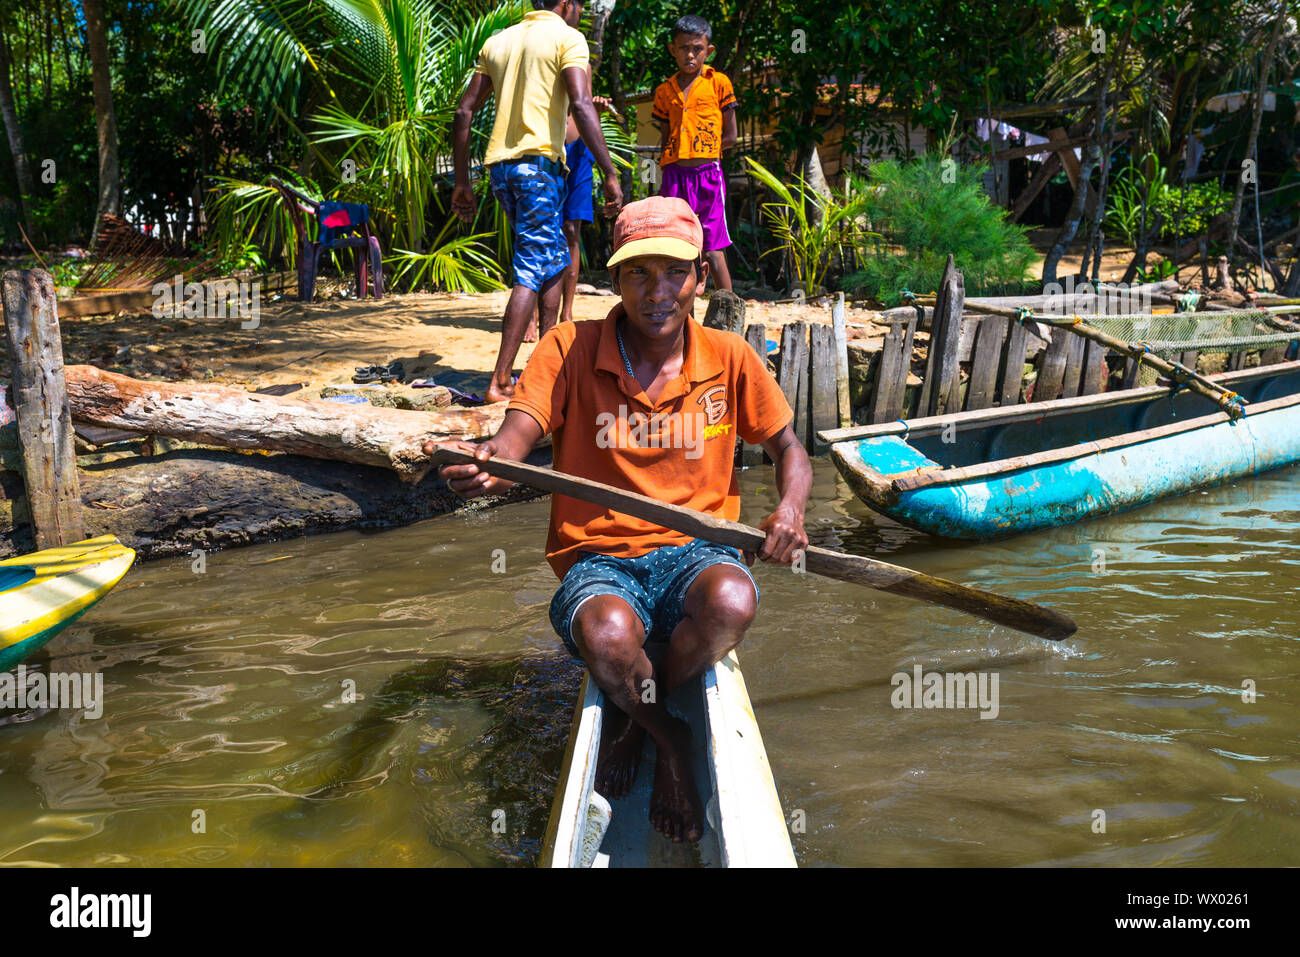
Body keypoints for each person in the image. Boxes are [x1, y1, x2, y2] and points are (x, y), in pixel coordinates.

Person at [433, 197, 812, 843]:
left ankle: (638, 711)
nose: (657, 292)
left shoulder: (729, 356)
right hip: (600, 555)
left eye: (674, 273)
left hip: (697, 548)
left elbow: (790, 448)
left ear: (698, 278)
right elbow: (515, 435)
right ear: (616, 280)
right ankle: (668, 736)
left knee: (734, 599)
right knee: (607, 639)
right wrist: (492, 464)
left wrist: (790, 511)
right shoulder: (569, 347)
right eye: (639, 273)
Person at [451, 0, 622, 404]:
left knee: (552, 259)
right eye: (579, 4)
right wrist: (610, 171)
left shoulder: (499, 41)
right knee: (532, 266)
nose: (580, 11)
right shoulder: (568, 38)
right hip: (538, 168)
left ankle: (547, 367)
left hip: (502, 170)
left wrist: (462, 182)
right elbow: (581, 105)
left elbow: (463, 112)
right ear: (567, 4)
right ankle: (500, 381)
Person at [651, 14, 738, 292]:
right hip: (675, 176)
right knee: (679, 246)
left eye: (697, 48)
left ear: (708, 50)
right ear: (672, 49)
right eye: (683, 48)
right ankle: (683, 319)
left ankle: (730, 311)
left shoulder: (718, 83)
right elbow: (666, 139)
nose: (690, 54)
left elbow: (731, 137)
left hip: (708, 176)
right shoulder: (664, 92)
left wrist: (703, 151)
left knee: (712, 248)